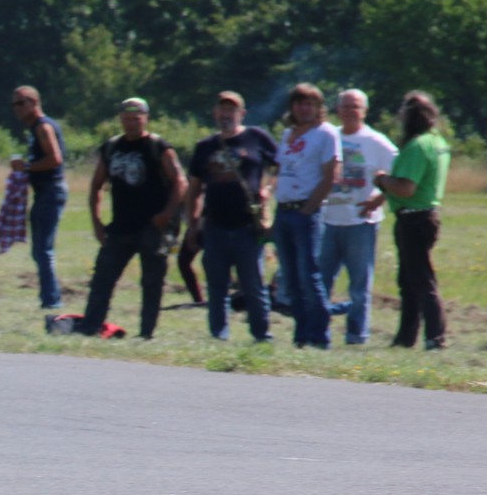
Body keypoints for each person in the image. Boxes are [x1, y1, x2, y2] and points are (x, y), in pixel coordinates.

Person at [73, 98, 183, 340]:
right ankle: (90, 327)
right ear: (120, 120)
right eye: (127, 119)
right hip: (120, 227)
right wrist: (96, 222)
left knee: (152, 283)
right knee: (102, 278)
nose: (131, 123)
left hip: (153, 227)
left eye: (136, 119)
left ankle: (146, 333)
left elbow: (179, 181)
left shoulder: (158, 147)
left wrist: (167, 214)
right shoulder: (112, 147)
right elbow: (96, 185)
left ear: (146, 119)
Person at [183, 91, 278, 341]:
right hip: (214, 226)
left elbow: (282, 166)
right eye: (223, 109)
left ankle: (262, 335)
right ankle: (219, 334)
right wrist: (193, 224)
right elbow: (194, 189)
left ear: (241, 114)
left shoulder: (256, 137)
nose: (227, 114)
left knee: (253, 285)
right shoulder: (205, 146)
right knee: (217, 286)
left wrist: (268, 189)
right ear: (215, 113)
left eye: (232, 109)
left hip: (247, 226)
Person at [374, 91, 451, 350]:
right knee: (409, 281)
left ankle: (435, 337)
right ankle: (405, 338)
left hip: (413, 218)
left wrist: (382, 180)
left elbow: (406, 188)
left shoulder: (417, 146)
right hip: (427, 216)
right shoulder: (438, 142)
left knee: (420, 279)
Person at [322, 88, 397, 345]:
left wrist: (380, 198)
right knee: (320, 282)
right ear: (337, 110)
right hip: (327, 220)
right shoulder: (329, 136)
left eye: (355, 106)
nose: (350, 111)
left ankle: (356, 335)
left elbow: (401, 174)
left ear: (364, 111)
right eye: (345, 106)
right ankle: (318, 333)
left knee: (359, 286)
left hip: (361, 223)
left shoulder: (376, 141)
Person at [272, 83, 342, 349]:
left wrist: (309, 208)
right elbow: (281, 170)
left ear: (318, 107)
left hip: (305, 212)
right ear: (292, 107)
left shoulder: (326, 133)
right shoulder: (287, 134)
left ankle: (320, 335)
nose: (304, 109)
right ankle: (301, 335)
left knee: (309, 275)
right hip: (284, 210)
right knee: (290, 278)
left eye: (310, 104)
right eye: (300, 103)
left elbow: (330, 176)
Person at [0, 85, 69, 310]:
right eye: (14, 104)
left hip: (51, 191)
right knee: (40, 249)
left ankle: (52, 300)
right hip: (44, 193)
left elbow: (55, 159)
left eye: (21, 103)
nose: (16, 108)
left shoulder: (43, 126)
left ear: (34, 103)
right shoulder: (35, 128)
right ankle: (49, 297)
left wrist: (27, 166)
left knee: (43, 250)